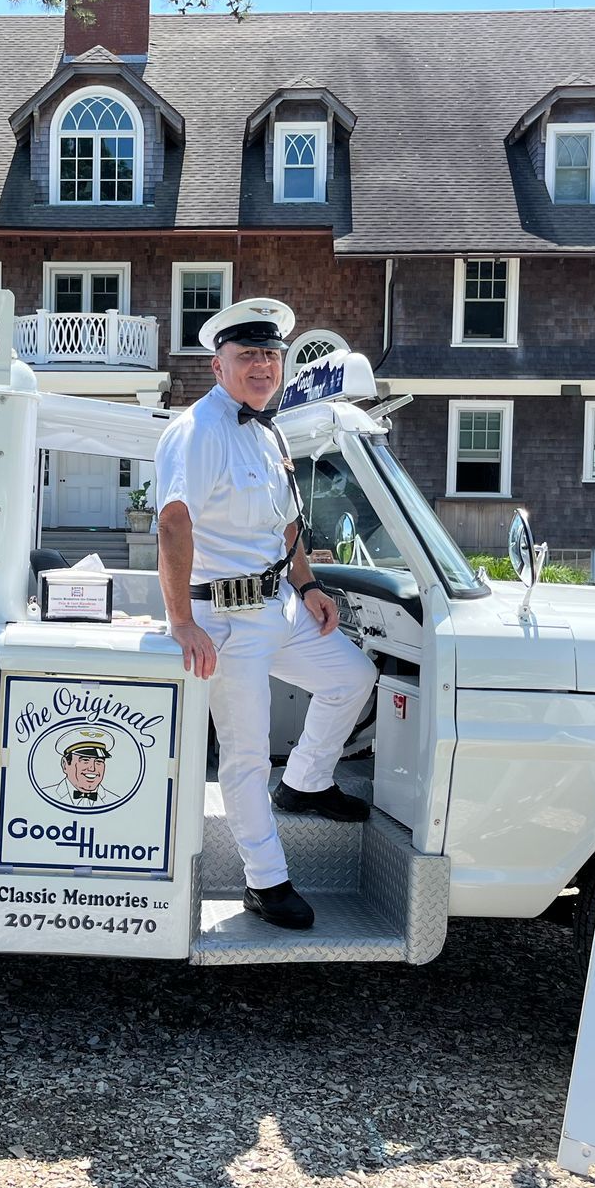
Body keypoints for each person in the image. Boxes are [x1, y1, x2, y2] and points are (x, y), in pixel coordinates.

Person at [153, 297, 378, 930]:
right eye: (247, 354)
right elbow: (173, 525)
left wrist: (308, 587)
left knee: (352, 677)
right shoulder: (197, 431)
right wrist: (181, 622)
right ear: (218, 365)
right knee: (246, 755)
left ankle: (305, 781)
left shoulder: (270, 429)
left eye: (270, 355)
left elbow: (286, 524)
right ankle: (265, 881)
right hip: (223, 620)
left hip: (279, 606)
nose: (262, 365)